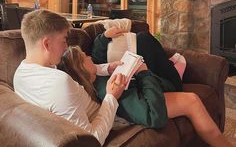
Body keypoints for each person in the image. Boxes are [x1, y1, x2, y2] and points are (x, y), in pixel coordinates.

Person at [59, 29, 234, 147]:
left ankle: (172, 65)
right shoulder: (107, 88)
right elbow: (153, 115)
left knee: (143, 38)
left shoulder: (95, 74)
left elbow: (96, 53)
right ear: (81, 68)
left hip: (148, 85)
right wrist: (144, 73)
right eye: (84, 57)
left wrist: (104, 36)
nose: (89, 56)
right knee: (192, 100)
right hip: (156, 88)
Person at [13, 9, 127, 146]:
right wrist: (112, 96)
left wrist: (104, 68)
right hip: (108, 122)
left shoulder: (20, 74)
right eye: (63, 40)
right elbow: (94, 139)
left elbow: (73, 68)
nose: (66, 46)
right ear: (47, 44)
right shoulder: (59, 83)